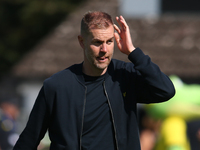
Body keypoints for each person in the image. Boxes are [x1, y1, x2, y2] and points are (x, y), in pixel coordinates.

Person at [13, 11, 175, 150]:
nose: (104, 50)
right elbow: (28, 140)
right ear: (82, 42)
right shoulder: (57, 86)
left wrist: (133, 52)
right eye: (97, 43)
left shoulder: (125, 76)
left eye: (109, 42)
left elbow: (165, 90)